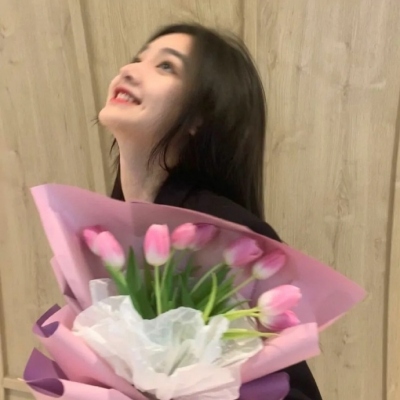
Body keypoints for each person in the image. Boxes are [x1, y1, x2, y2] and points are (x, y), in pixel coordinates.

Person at [98, 22, 322, 400]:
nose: (128, 70)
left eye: (165, 66)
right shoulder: (106, 228)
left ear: (197, 117)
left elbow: (291, 389)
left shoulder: (226, 234)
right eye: (137, 59)